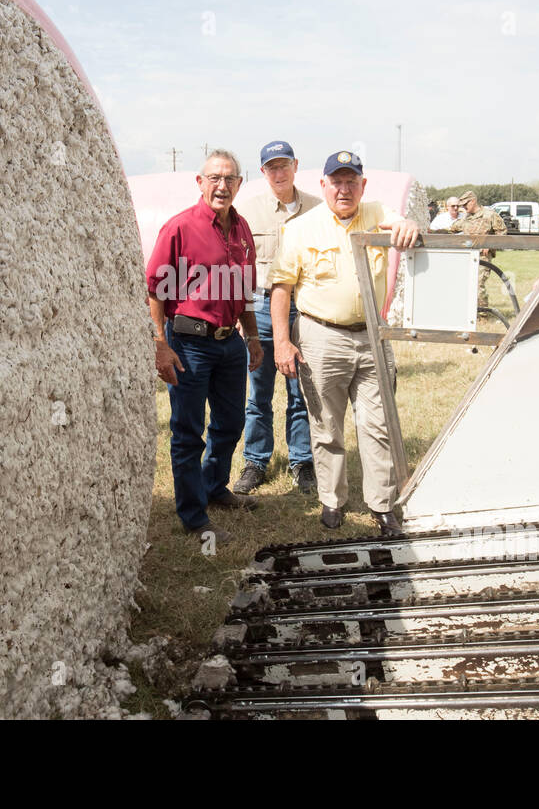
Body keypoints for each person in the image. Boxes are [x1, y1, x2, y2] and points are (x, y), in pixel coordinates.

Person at [269, 151, 420, 536]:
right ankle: (332, 501)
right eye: (336, 181)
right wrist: (282, 343)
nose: (344, 189)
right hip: (322, 337)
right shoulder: (301, 228)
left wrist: (407, 223)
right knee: (326, 424)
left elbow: (401, 223)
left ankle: (382, 505)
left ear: (363, 186)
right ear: (323, 185)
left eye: (352, 181)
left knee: (378, 424)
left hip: (372, 336)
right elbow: (282, 288)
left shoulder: (375, 213)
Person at [147, 151, 264, 544]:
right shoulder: (179, 228)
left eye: (230, 178)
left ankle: (214, 487)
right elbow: (154, 292)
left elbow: (246, 291)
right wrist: (161, 346)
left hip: (229, 343)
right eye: (214, 178)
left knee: (231, 423)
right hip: (189, 343)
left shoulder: (242, 229)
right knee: (188, 431)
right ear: (200, 182)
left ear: (239, 184)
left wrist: (252, 336)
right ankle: (195, 518)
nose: (222, 185)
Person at [231, 141, 321, 496]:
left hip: (307, 309)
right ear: (263, 172)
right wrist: (243, 313)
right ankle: (255, 460)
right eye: (271, 168)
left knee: (302, 393)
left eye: (284, 165)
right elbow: (237, 266)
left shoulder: (318, 208)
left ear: (296, 166)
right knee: (259, 393)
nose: (279, 173)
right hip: (263, 309)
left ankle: (302, 461)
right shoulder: (247, 212)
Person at [450, 190, 507, 310]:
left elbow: (502, 232)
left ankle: (482, 313)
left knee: (478, 285)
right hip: (467, 256)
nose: (464, 208)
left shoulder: (489, 215)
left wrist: (489, 244)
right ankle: (468, 311)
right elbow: (452, 228)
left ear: (473, 201)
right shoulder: (466, 217)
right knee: (466, 284)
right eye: (462, 206)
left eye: (466, 204)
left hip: (483, 257)